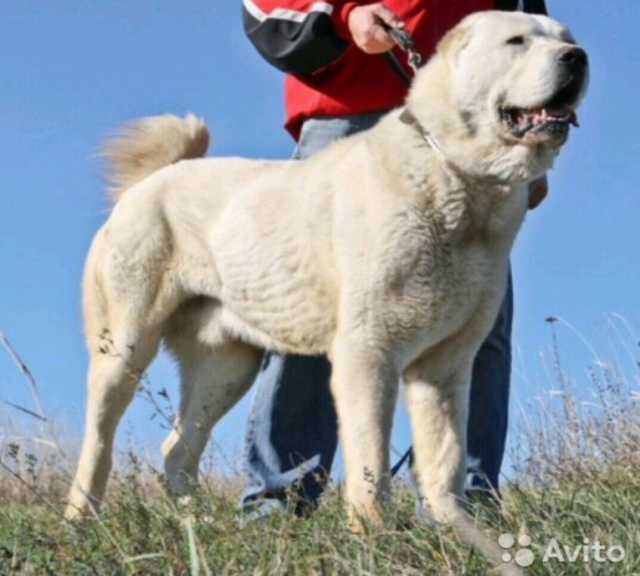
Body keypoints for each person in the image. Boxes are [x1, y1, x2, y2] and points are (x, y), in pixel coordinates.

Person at [240, 0, 549, 519]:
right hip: (350, 114)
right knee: (316, 315)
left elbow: (524, 17)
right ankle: (280, 507)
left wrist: (529, 129)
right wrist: (344, 18)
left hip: (472, 128)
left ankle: (461, 506)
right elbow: (262, 6)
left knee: (479, 322)